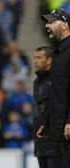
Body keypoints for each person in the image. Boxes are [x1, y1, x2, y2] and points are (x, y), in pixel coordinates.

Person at [41, 8, 70, 167]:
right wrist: (46, 120)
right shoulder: (59, 52)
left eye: (52, 21)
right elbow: (56, 92)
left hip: (66, 129)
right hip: (57, 127)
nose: (47, 25)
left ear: (65, 25)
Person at [33, 47, 59, 168]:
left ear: (49, 60)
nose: (35, 61)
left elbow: (56, 105)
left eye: (39, 58)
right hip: (40, 140)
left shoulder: (58, 80)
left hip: (54, 139)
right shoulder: (37, 82)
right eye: (34, 58)